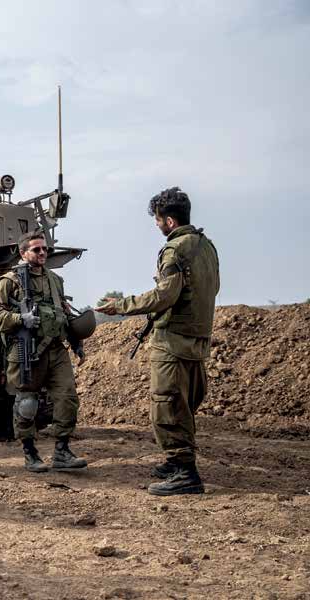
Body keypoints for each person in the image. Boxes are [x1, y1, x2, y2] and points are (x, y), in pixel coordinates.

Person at [95, 187, 219, 496]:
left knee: (167, 405)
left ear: (170, 221)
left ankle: (184, 471)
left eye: (158, 220)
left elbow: (166, 295)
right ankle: (175, 462)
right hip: (198, 338)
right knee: (185, 402)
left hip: (173, 341)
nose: (156, 225)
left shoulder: (174, 249)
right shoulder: (207, 246)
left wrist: (120, 306)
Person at [0, 232, 87, 473]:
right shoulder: (10, 281)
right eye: (37, 250)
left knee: (67, 398)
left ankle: (62, 451)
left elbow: (62, 312)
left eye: (45, 250)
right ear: (23, 254)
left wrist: (76, 342)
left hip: (55, 349)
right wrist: (20, 318)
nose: (43, 253)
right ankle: (30, 453)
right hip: (27, 350)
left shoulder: (54, 280)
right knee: (27, 403)